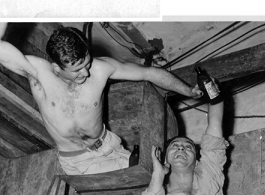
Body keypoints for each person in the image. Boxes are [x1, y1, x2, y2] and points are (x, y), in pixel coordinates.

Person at [0, 22, 202, 175]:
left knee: (159, 176)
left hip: (110, 146)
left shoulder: (101, 68)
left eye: (87, 64)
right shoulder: (37, 73)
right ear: (56, 67)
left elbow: (149, 73)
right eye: (77, 70)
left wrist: (188, 91)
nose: (86, 73)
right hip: (78, 162)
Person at [143, 99, 228, 195]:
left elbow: (215, 123)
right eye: (174, 146)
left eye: (188, 147)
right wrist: (158, 174)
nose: (181, 148)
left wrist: (214, 93)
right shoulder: (157, 188)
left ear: (196, 162)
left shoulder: (208, 177)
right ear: (165, 161)